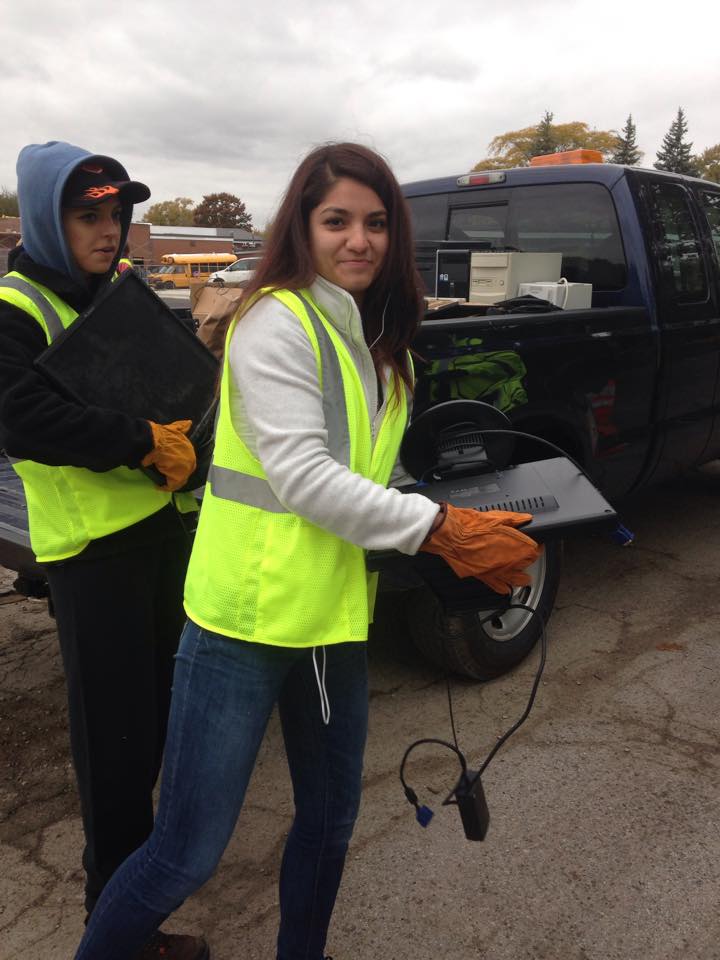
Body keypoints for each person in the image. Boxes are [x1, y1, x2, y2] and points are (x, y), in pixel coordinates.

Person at [74, 142, 540, 960]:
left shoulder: (373, 339)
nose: (357, 240)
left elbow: (370, 476)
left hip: (329, 619)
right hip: (243, 625)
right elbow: (302, 478)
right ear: (303, 226)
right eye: (337, 222)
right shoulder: (275, 322)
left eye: (375, 223)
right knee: (186, 850)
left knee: (329, 825)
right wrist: (438, 531)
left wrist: (446, 533)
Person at [0, 141, 209, 960]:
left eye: (117, 214)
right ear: (51, 219)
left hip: (159, 534)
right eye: (89, 215)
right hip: (94, 557)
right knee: (115, 755)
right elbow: (19, 419)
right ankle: (115, 932)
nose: (109, 229)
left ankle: (132, 907)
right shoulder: (16, 305)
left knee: (154, 727)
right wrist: (139, 442)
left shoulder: (115, 289)